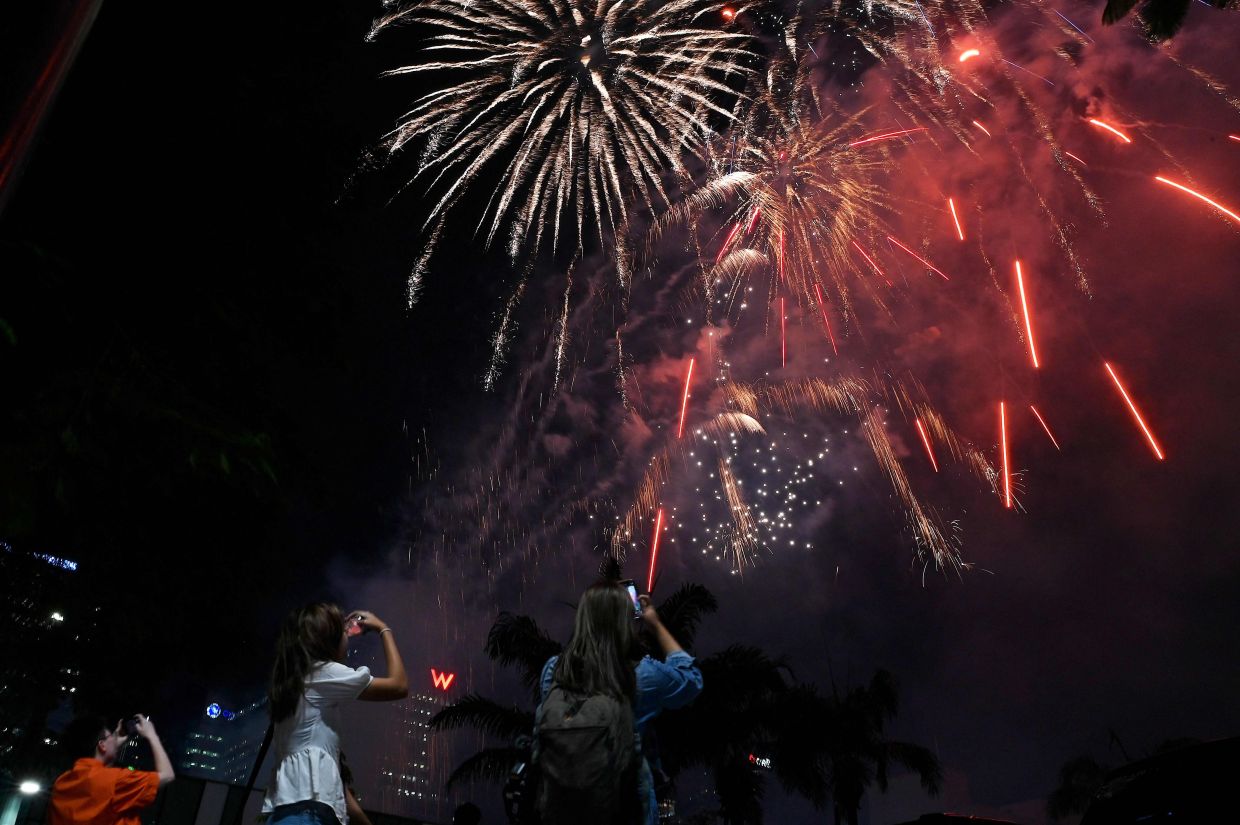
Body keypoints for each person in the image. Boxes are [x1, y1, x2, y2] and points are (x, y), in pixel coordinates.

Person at [536, 581, 703, 825]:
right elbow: (691, 681)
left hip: (563, 811)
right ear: (627, 619)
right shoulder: (640, 674)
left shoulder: (555, 669)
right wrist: (654, 623)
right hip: (627, 810)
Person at [263, 603, 409, 825]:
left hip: (291, 813)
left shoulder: (296, 683)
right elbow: (399, 686)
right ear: (327, 641)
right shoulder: (322, 673)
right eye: (343, 632)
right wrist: (383, 628)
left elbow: (327, 777)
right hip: (307, 815)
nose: (348, 637)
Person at [50, 713, 175, 825]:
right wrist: (152, 735)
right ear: (102, 745)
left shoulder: (61, 782)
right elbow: (167, 775)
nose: (114, 738)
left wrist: (113, 744)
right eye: (110, 736)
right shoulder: (116, 781)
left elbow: (97, 778)